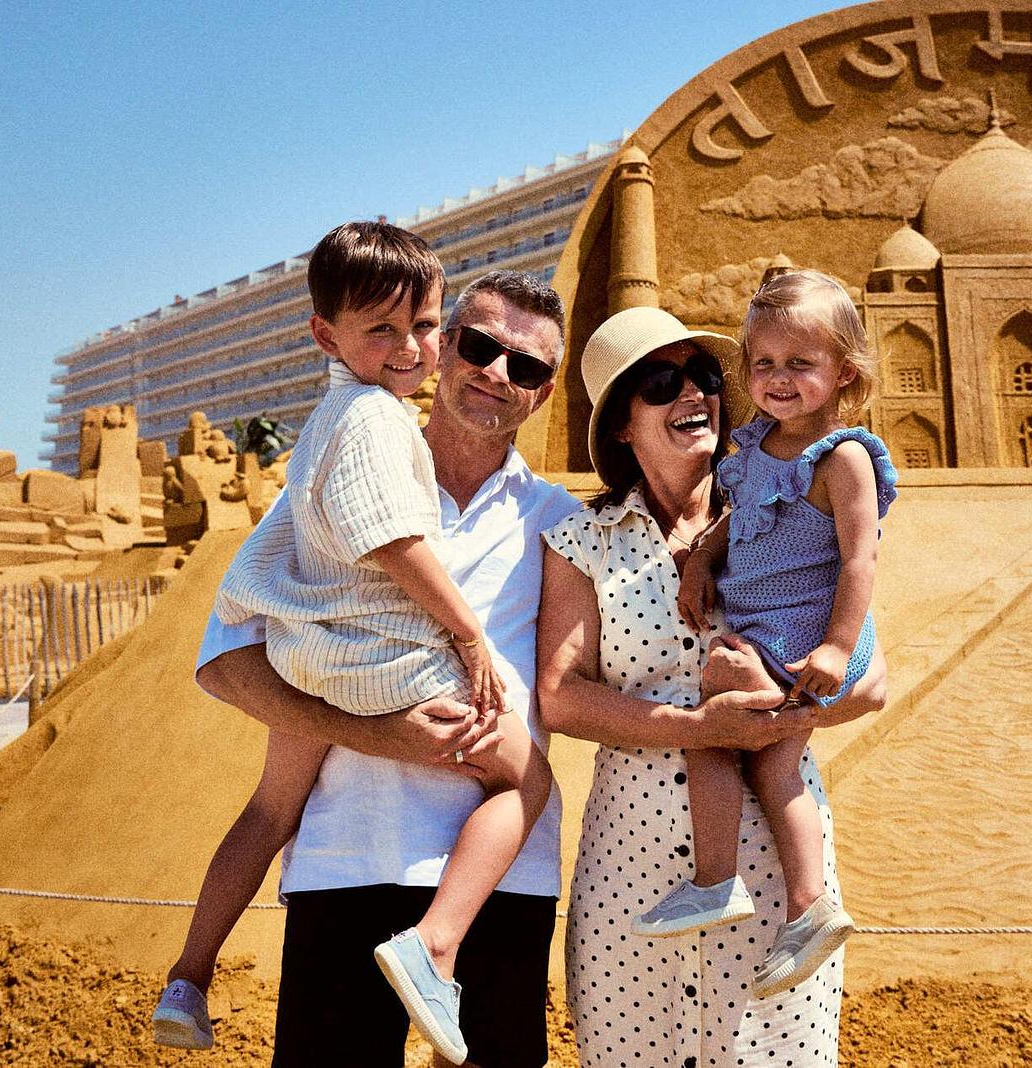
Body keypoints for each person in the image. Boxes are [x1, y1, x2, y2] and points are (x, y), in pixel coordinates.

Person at [152, 224, 554, 1064]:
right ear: (453, 348)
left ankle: (191, 973)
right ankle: (192, 973)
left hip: (504, 889)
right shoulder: (355, 451)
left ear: (545, 392)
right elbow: (223, 661)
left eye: (526, 366)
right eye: (480, 346)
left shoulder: (562, 523)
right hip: (345, 862)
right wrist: (380, 732)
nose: (495, 372)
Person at [535, 305, 888, 1065]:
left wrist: (766, 711)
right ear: (621, 424)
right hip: (634, 873)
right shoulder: (581, 543)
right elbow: (560, 696)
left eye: (702, 375)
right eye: (662, 383)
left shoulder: (791, 503)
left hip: (776, 884)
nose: (693, 392)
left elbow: (870, 683)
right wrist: (699, 729)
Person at [635, 269, 898, 998]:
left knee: (714, 717)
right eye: (764, 363)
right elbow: (737, 518)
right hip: (767, 629)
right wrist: (701, 559)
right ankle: (808, 906)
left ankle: (716, 879)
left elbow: (860, 558)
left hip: (802, 639)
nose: (778, 379)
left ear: (845, 372)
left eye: (800, 363)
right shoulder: (753, 448)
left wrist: (837, 647)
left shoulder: (842, 458)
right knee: (771, 767)